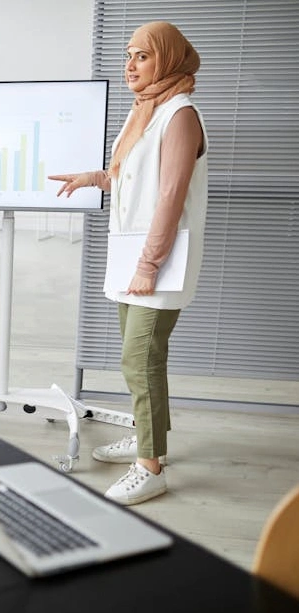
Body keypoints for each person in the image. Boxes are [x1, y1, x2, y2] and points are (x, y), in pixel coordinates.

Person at [49, 21, 207, 505]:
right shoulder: (146, 110)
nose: (130, 66)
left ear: (168, 59)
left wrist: (148, 265)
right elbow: (133, 178)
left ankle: (151, 467)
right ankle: (148, 440)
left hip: (156, 261)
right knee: (146, 357)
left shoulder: (179, 114)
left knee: (137, 357)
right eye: (128, 56)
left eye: (142, 56)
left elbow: (170, 195)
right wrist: (94, 176)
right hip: (132, 255)